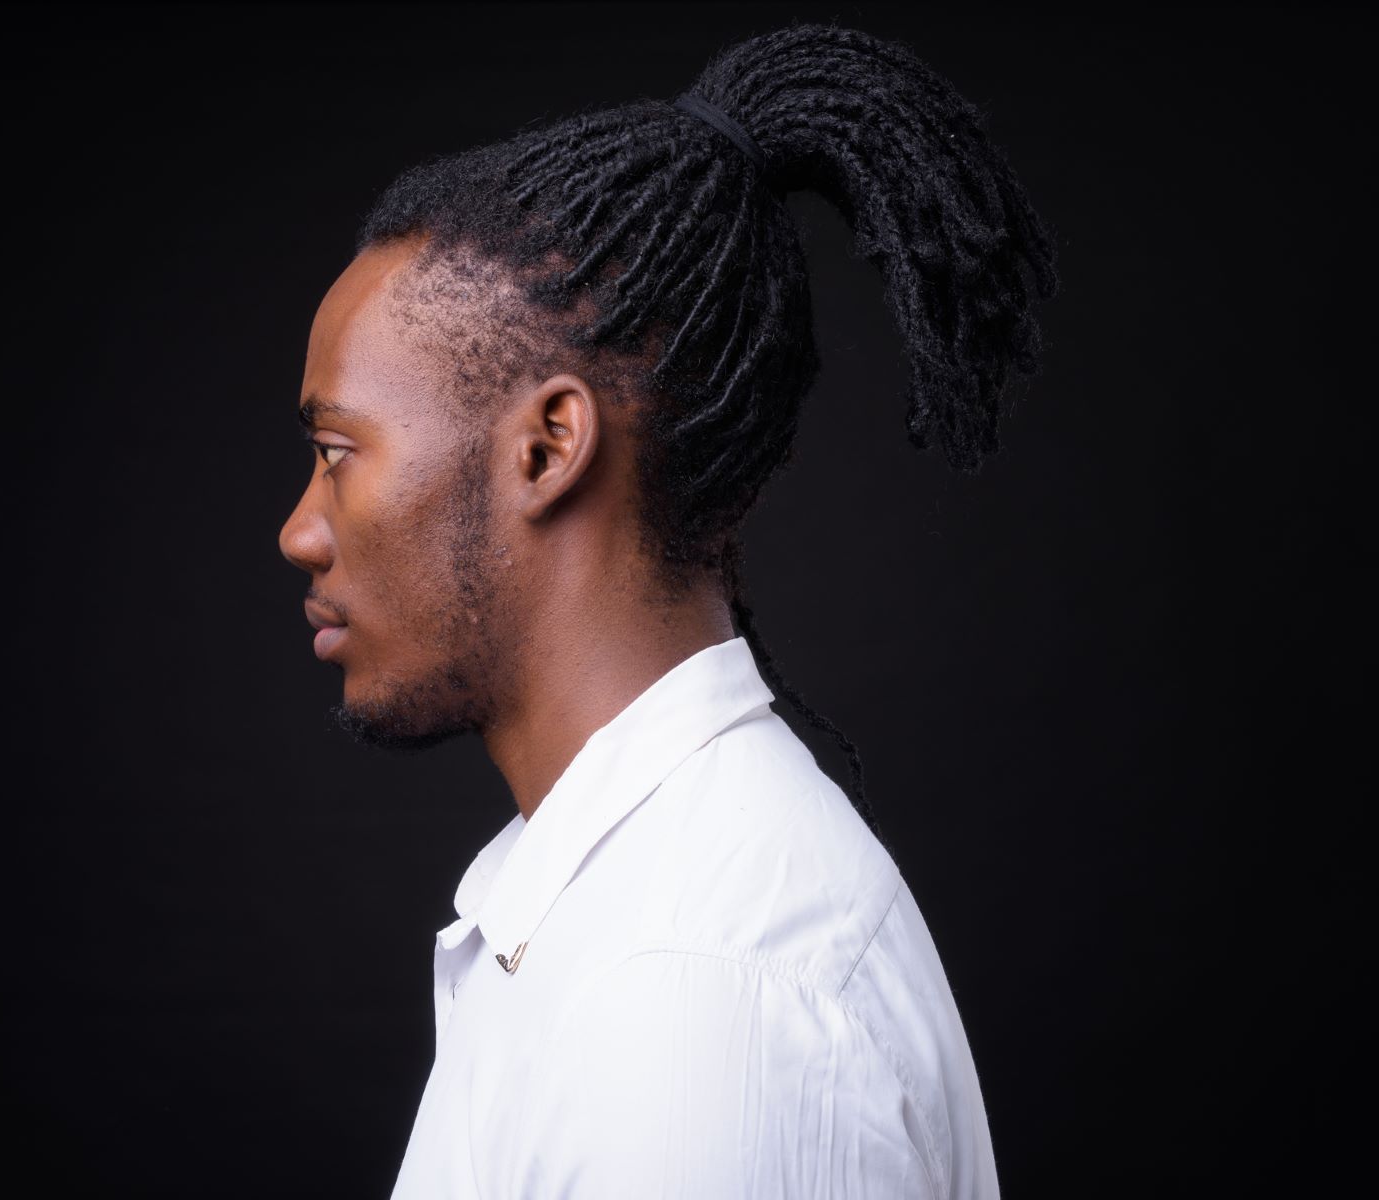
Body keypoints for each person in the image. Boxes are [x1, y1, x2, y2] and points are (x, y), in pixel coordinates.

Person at [278, 19, 1057, 1198]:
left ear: (546, 447)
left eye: (339, 451)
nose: (301, 528)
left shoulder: (699, 1000)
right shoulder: (635, 918)